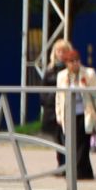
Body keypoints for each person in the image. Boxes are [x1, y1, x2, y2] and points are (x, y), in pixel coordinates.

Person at [54, 45, 96, 181]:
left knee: (83, 144)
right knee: (71, 144)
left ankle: (76, 173)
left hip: (85, 114)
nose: (75, 64)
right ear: (66, 63)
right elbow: (58, 97)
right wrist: (58, 115)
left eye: (77, 61)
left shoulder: (89, 74)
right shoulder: (61, 76)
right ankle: (85, 173)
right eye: (72, 61)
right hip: (68, 115)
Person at [37, 39, 70, 171]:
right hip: (52, 109)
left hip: (66, 107)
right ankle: (61, 165)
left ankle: (68, 165)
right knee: (57, 139)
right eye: (58, 51)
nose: (61, 54)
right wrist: (47, 101)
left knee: (67, 138)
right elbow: (43, 89)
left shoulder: (70, 68)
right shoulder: (50, 70)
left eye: (63, 51)